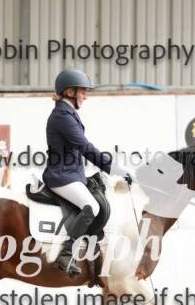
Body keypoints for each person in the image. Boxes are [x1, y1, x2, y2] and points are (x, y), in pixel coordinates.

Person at [42, 69, 132, 276]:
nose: (85, 96)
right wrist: (114, 169)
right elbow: (85, 148)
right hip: (61, 176)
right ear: (70, 92)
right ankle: (66, 254)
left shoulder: (68, 114)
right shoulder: (62, 116)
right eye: (82, 91)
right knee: (91, 206)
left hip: (72, 174)